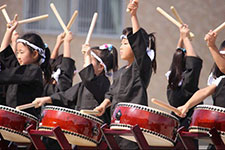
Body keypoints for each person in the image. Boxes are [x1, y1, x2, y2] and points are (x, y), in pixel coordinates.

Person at [94, 0, 156, 149]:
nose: (121, 47)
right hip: (117, 126)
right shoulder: (120, 72)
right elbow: (111, 93)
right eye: (121, 44)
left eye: (126, 44)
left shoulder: (141, 67)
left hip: (133, 129)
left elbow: (139, 47)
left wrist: (133, 15)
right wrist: (103, 105)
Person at [32, 43, 118, 125]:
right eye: (85, 60)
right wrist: (46, 99)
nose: (85, 63)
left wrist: (87, 55)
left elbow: (89, 78)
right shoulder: (83, 85)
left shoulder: (103, 83)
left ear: (101, 67)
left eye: (89, 61)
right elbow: (66, 97)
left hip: (96, 130)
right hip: (82, 126)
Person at [176, 31, 225, 150]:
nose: (222, 58)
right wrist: (186, 106)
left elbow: (223, 67)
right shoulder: (221, 80)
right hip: (220, 134)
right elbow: (203, 92)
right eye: (221, 55)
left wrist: (211, 45)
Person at [0, 14, 51, 117]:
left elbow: (7, 74)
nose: (18, 56)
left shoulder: (34, 71)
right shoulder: (21, 69)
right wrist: (9, 32)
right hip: (12, 118)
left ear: (35, 54)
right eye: (17, 52)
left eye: (22, 52)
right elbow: (5, 56)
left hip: (25, 121)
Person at [166, 24, 203, 129]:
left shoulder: (172, 78)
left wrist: (182, 37)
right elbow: (194, 64)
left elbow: (178, 54)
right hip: (188, 123)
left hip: (175, 123)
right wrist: (185, 37)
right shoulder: (187, 84)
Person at [43, 32, 76, 96]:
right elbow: (66, 70)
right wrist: (66, 43)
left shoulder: (45, 82)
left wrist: (58, 44)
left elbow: (51, 65)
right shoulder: (61, 88)